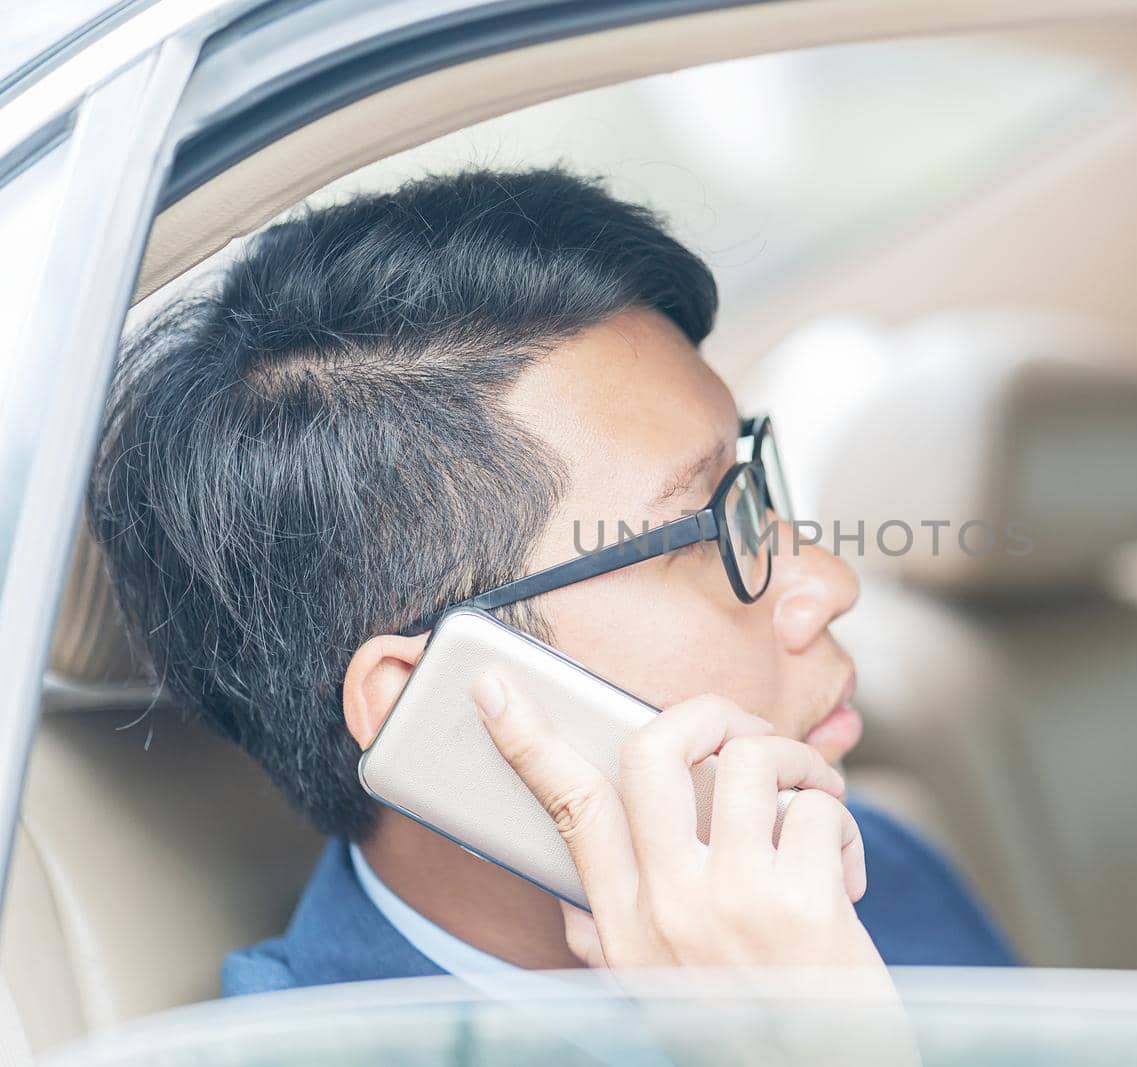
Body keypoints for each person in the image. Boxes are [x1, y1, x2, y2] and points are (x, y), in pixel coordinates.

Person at [90, 167, 1014, 995]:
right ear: (437, 703)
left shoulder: (859, 872)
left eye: (755, 488)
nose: (830, 580)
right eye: (703, 535)